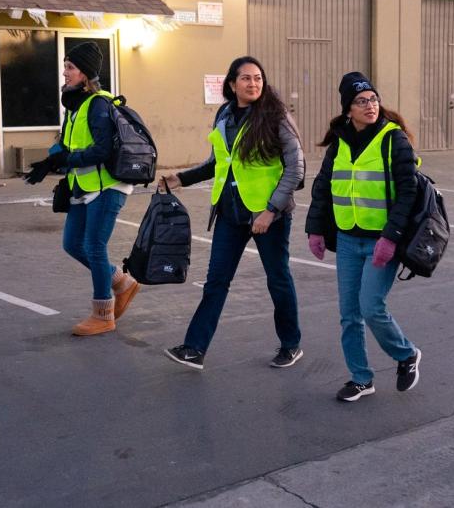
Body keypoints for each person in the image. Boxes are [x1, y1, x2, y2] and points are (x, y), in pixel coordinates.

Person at [161, 56, 305, 370]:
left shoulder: (275, 116)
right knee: (216, 281)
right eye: (246, 79)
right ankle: (194, 349)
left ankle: (291, 344)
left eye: (258, 78)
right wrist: (180, 178)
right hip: (230, 212)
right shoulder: (224, 115)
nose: (253, 84)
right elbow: (217, 164)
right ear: (232, 84)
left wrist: (270, 211)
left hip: (268, 215)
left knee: (277, 279)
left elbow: (296, 168)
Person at [305, 72, 422, 402]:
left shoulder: (392, 138)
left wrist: (391, 237)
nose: (370, 106)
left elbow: (408, 191)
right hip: (346, 239)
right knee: (348, 314)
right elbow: (323, 187)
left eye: (373, 99)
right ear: (348, 109)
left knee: (371, 307)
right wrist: (314, 228)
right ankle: (360, 378)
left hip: (381, 240)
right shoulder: (340, 142)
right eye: (361, 101)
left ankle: (406, 354)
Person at [24, 41, 140, 337]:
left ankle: (103, 314)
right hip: (83, 185)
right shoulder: (75, 106)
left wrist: (69, 158)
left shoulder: (98, 104)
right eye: (64, 66)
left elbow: (101, 150)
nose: (64, 72)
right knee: (72, 243)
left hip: (107, 186)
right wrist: (50, 161)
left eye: (70, 67)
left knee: (93, 246)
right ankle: (122, 282)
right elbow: (67, 143)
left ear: (85, 73)